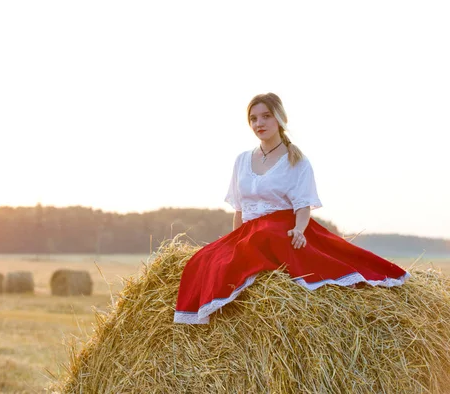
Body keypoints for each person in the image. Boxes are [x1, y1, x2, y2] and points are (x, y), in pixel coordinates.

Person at [173, 93, 410, 325]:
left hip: (282, 225)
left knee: (261, 237)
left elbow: (302, 206)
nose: (259, 123)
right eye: (253, 119)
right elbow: (239, 209)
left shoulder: (296, 160)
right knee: (201, 259)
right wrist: (233, 239)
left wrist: (299, 229)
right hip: (249, 230)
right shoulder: (242, 160)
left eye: (266, 116)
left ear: (279, 118)